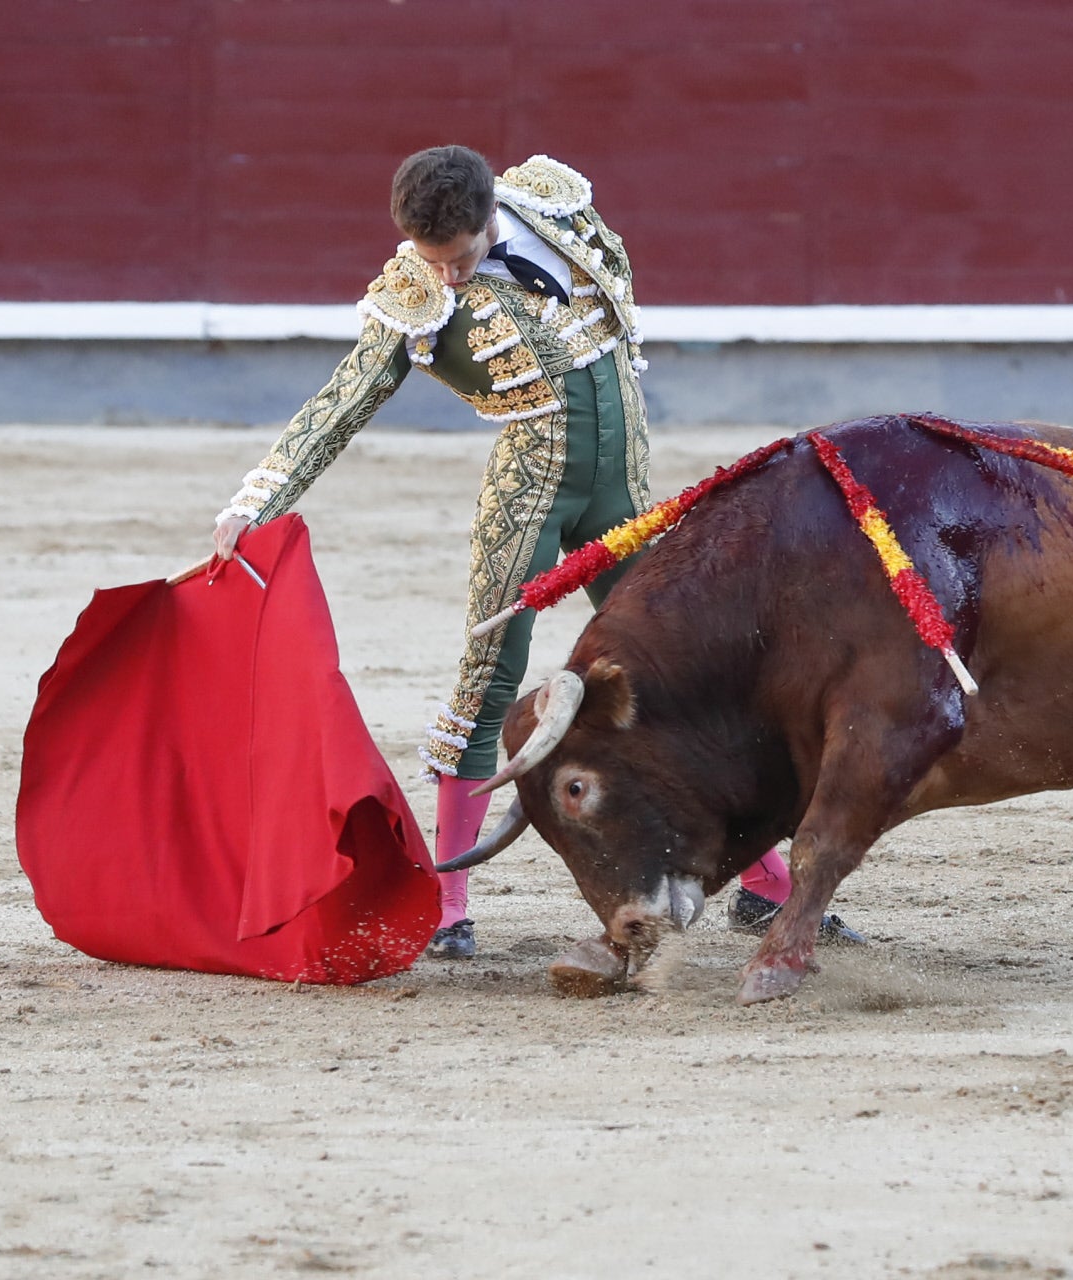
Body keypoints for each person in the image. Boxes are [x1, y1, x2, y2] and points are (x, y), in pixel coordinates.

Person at [211, 146, 858, 959]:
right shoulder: (413, 293)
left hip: (622, 493)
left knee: (683, 682)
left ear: (491, 218)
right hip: (531, 500)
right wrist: (254, 502)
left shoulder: (553, 208)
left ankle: (765, 889)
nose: (445, 279)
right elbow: (341, 402)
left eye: (458, 258)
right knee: (488, 681)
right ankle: (447, 908)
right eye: (430, 261)